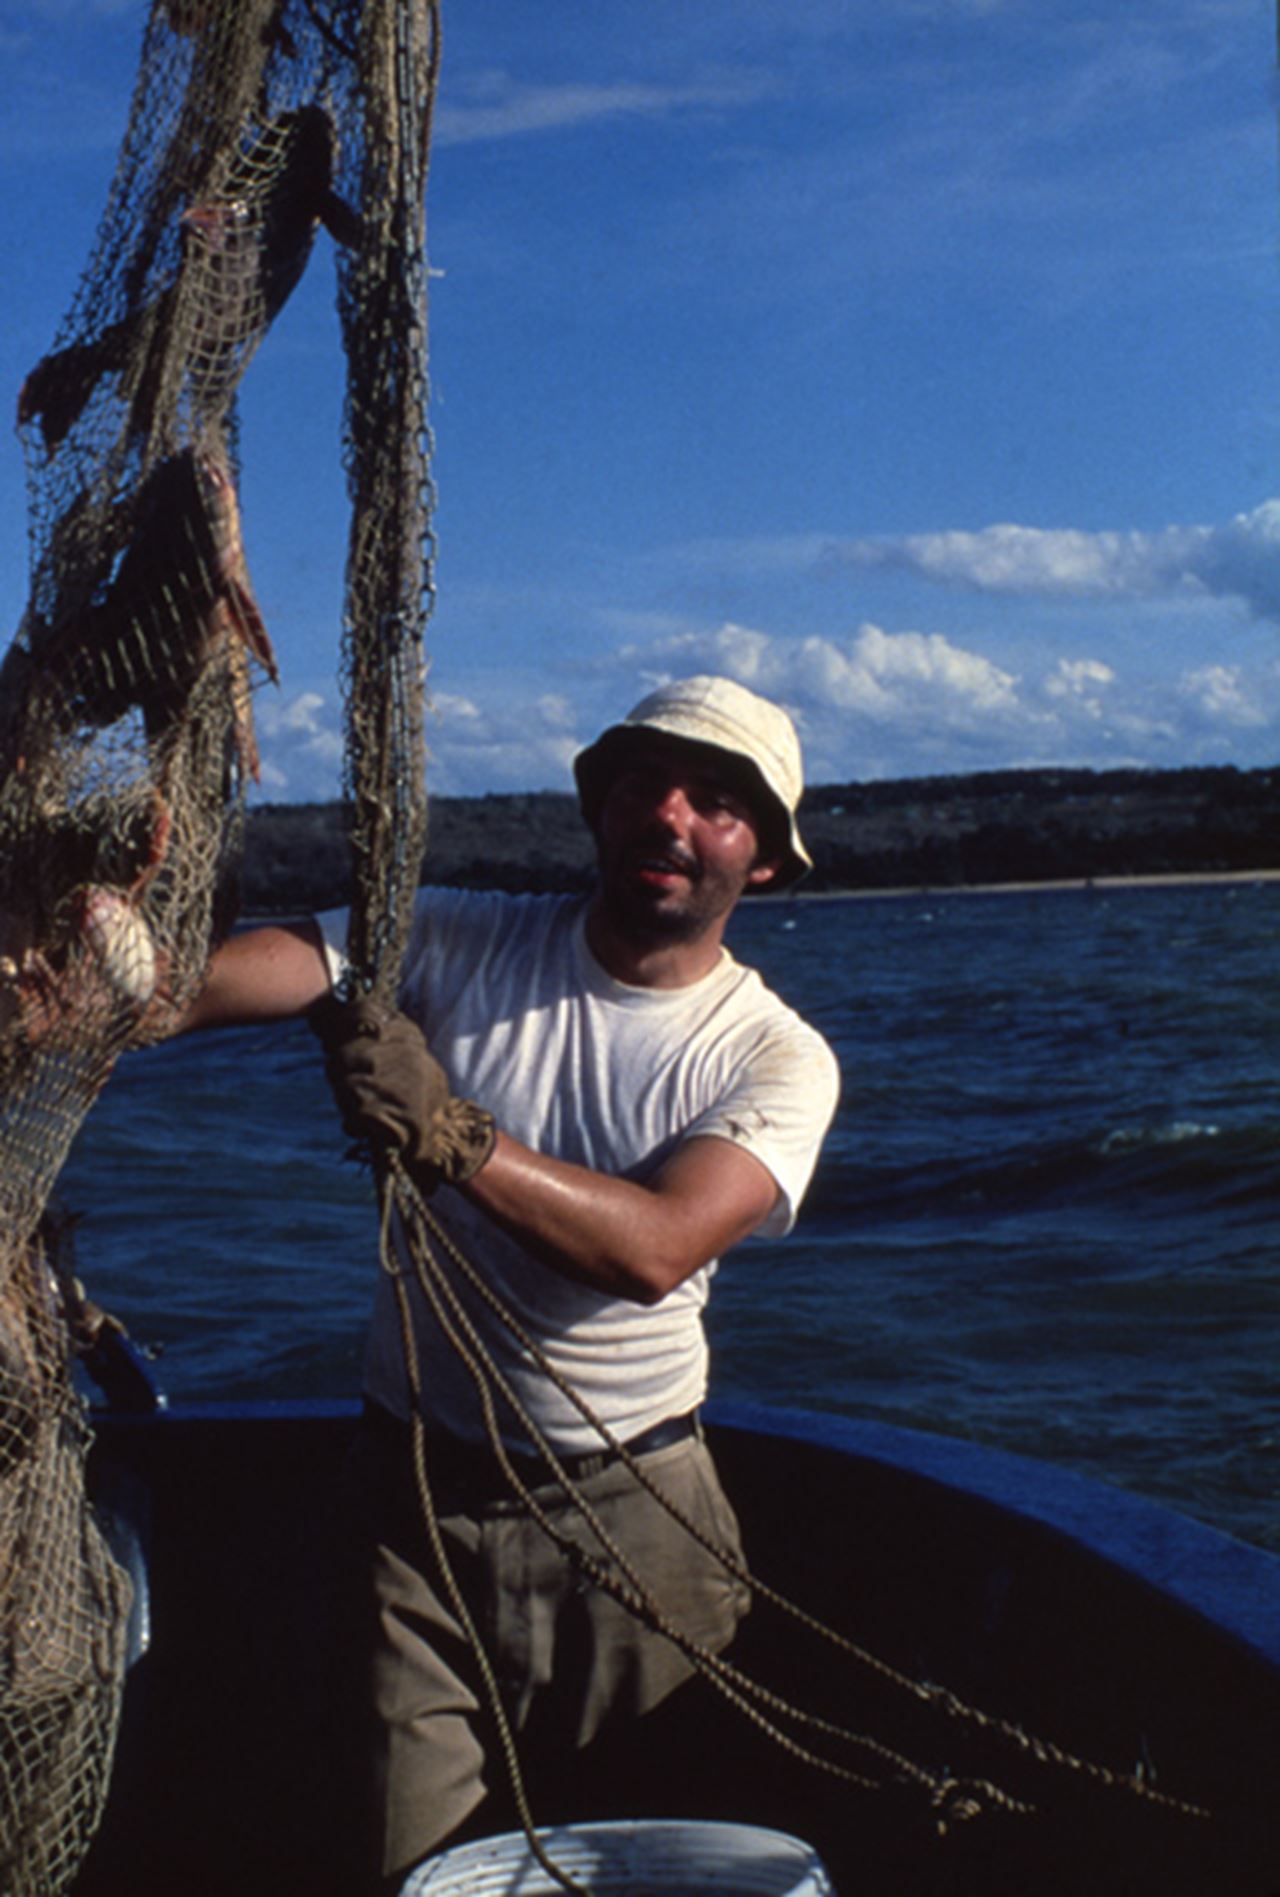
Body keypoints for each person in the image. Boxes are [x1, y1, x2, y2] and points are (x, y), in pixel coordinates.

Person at [186, 673, 840, 1889]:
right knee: (407, 1864)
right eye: (644, 783)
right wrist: (110, 994)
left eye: (718, 802)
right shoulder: (457, 931)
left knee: (649, 1855)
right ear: (598, 810)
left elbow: (653, 1246)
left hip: (635, 1522)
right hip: (412, 1507)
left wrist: (452, 1134)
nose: (671, 818)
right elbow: (282, 964)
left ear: (762, 864)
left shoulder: (773, 1054)